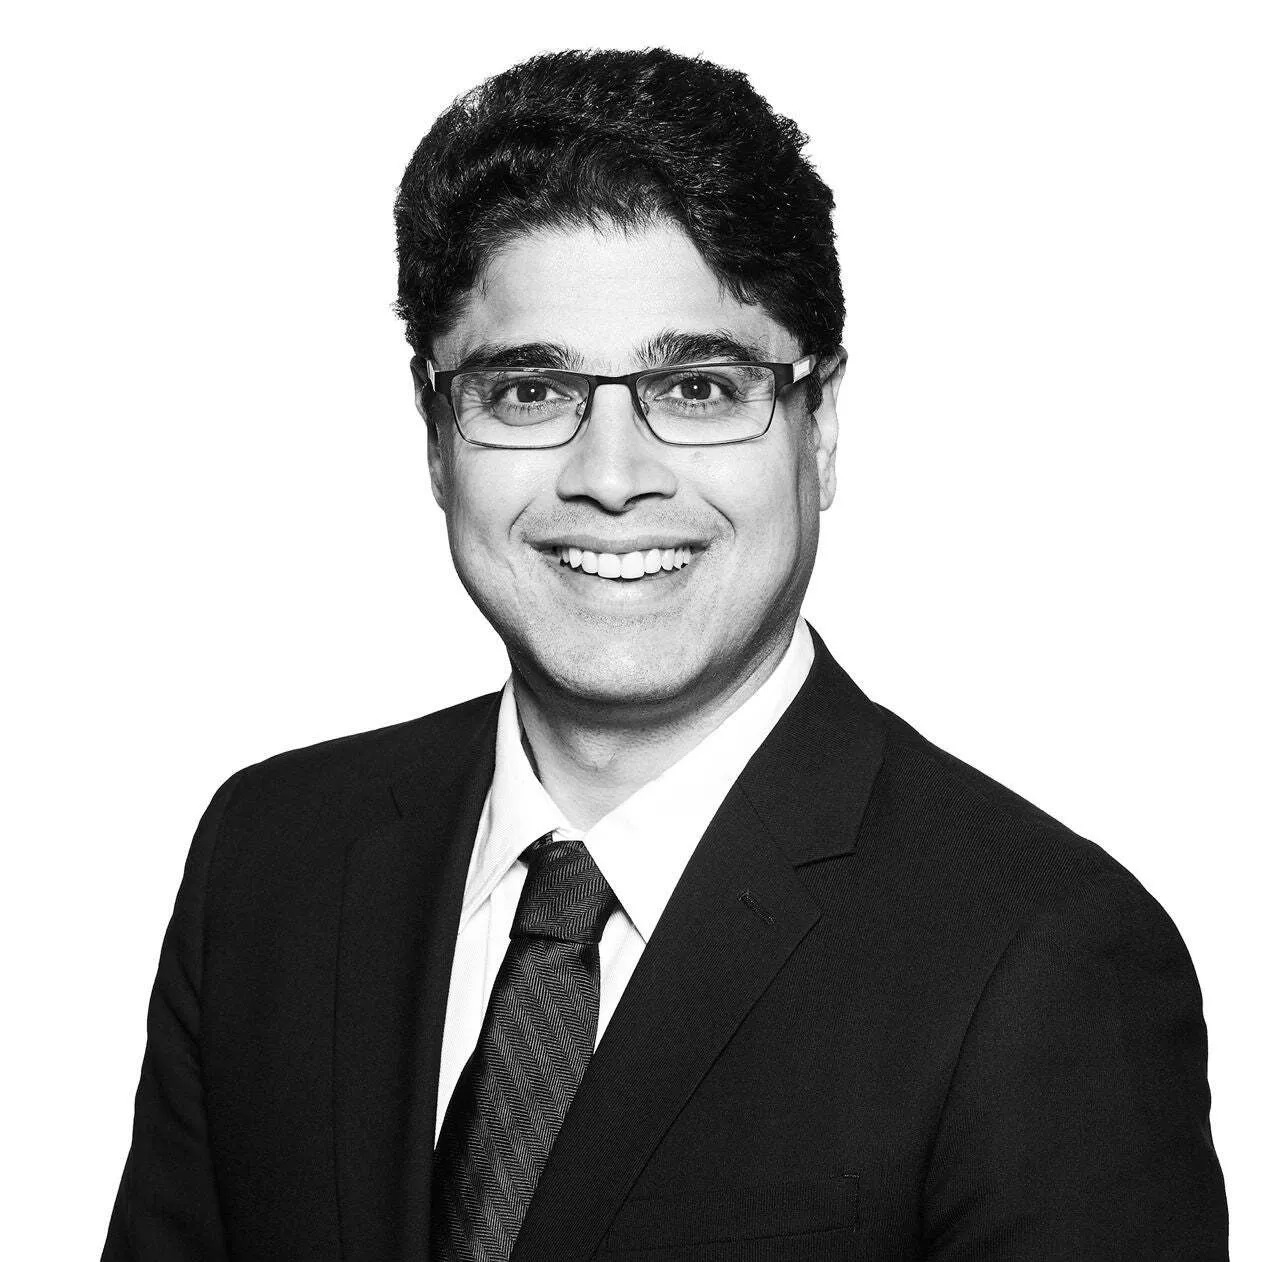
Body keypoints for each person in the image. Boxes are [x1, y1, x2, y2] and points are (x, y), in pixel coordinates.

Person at [102, 48, 1229, 1262]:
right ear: (436, 435)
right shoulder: (270, 863)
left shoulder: (1045, 960)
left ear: (820, 427)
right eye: (528, 392)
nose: (610, 475)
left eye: (695, 386)